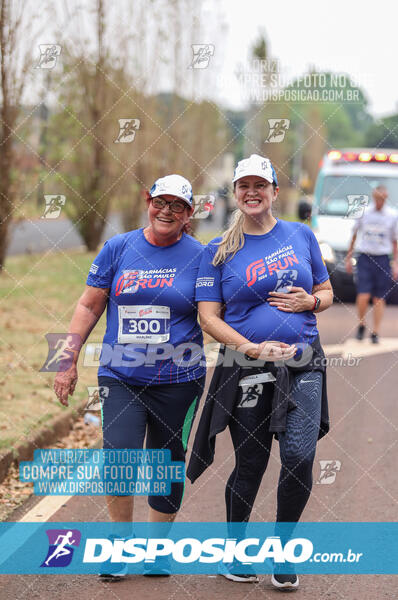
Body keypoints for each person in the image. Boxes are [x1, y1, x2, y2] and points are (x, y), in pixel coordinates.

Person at [187, 154, 333, 590]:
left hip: (303, 362)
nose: (252, 192)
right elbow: (208, 318)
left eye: (260, 185)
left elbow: (324, 291)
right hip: (245, 366)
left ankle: (284, 554)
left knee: (299, 456)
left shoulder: (301, 235)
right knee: (250, 463)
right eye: (243, 186)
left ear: (273, 190)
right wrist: (250, 347)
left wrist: (312, 302)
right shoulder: (218, 251)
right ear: (235, 193)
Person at [53, 174, 206, 579]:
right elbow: (88, 305)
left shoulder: (202, 256)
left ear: (189, 214)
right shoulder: (118, 248)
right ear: (148, 201)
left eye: (177, 206)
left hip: (179, 379)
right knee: (119, 459)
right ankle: (120, 548)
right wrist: (66, 360)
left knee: (167, 463)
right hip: (121, 376)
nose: (166, 211)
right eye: (161, 202)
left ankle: (157, 550)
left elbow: (214, 313)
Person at [345, 185, 398, 343]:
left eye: (382, 198)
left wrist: (396, 263)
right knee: (363, 294)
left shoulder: (392, 215)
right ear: (374, 198)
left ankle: (375, 331)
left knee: (379, 298)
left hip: (382, 258)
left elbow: (395, 241)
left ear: (386, 198)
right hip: (365, 257)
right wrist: (349, 257)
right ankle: (362, 324)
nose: (379, 201)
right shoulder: (364, 213)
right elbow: (354, 235)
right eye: (377, 198)